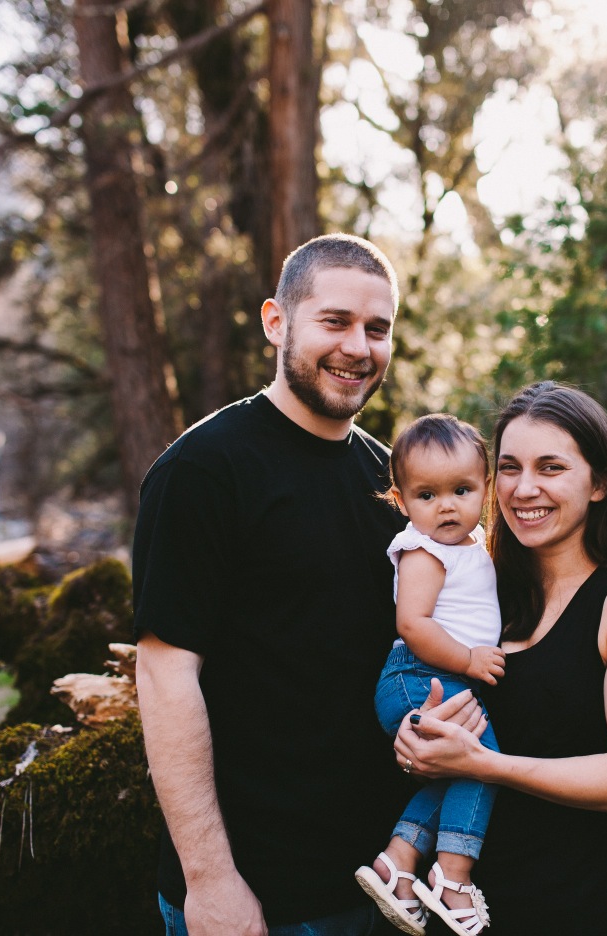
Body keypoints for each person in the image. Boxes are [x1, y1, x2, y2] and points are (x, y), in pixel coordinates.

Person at [132, 233, 483, 936]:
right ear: (276, 322)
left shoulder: (396, 483)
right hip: (261, 897)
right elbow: (166, 674)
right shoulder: (204, 471)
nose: (359, 347)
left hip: (385, 886)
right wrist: (211, 881)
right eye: (335, 321)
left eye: (377, 329)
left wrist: (446, 720)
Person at [394, 381, 607, 936]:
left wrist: (483, 764)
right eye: (509, 468)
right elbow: (432, 700)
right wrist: (415, 742)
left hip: (567, 908)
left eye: (550, 468)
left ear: (598, 482)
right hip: (454, 915)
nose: (524, 489)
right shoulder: (482, 591)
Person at [355, 415, 504, 936]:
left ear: (485, 490)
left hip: (441, 678)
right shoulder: (423, 549)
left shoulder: (473, 542)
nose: (446, 505)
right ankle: (453, 876)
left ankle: (397, 863)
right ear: (401, 500)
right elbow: (412, 623)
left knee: (456, 767)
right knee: (484, 760)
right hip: (419, 675)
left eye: (461, 490)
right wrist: (468, 661)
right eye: (427, 494)